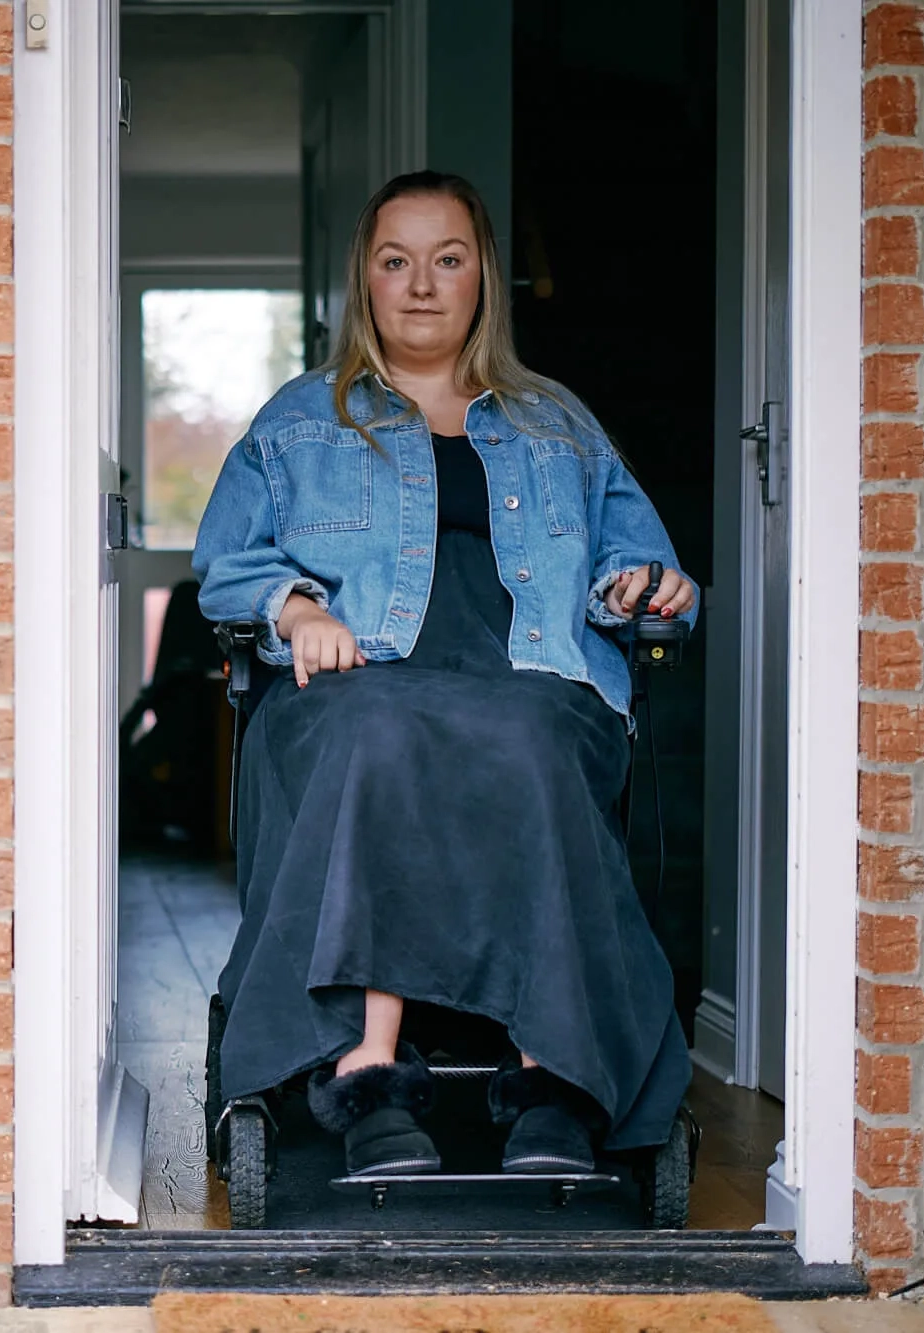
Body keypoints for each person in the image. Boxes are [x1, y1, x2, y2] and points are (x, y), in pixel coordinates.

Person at [192, 169, 697, 1178]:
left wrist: (643, 585)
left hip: (529, 676)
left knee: (529, 736)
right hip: (351, 679)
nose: (421, 284)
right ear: (364, 282)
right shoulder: (295, 422)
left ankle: (554, 1077)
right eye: (395, 261)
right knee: (371, 729)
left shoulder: (558, 424)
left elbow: (627, 560)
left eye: (447, 259)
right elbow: (223, 564)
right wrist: (295, 608)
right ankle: (364, 1068)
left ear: (481, 281)